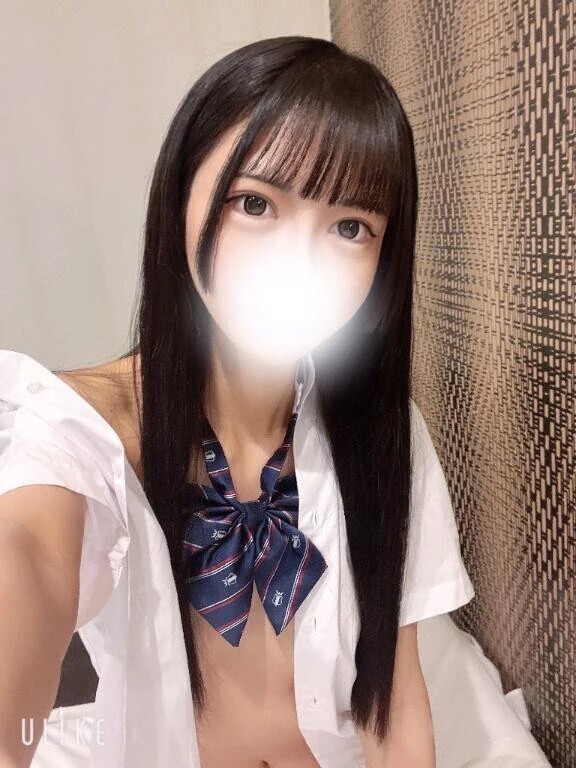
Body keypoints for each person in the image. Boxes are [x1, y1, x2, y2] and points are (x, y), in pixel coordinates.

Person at [0, 35, 474, 768]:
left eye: (350, 227)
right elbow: (26, 551)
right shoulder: (81, 435)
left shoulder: (383, 438)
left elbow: (397, 694)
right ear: (180, 198)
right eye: (255, 203)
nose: (297, 262)